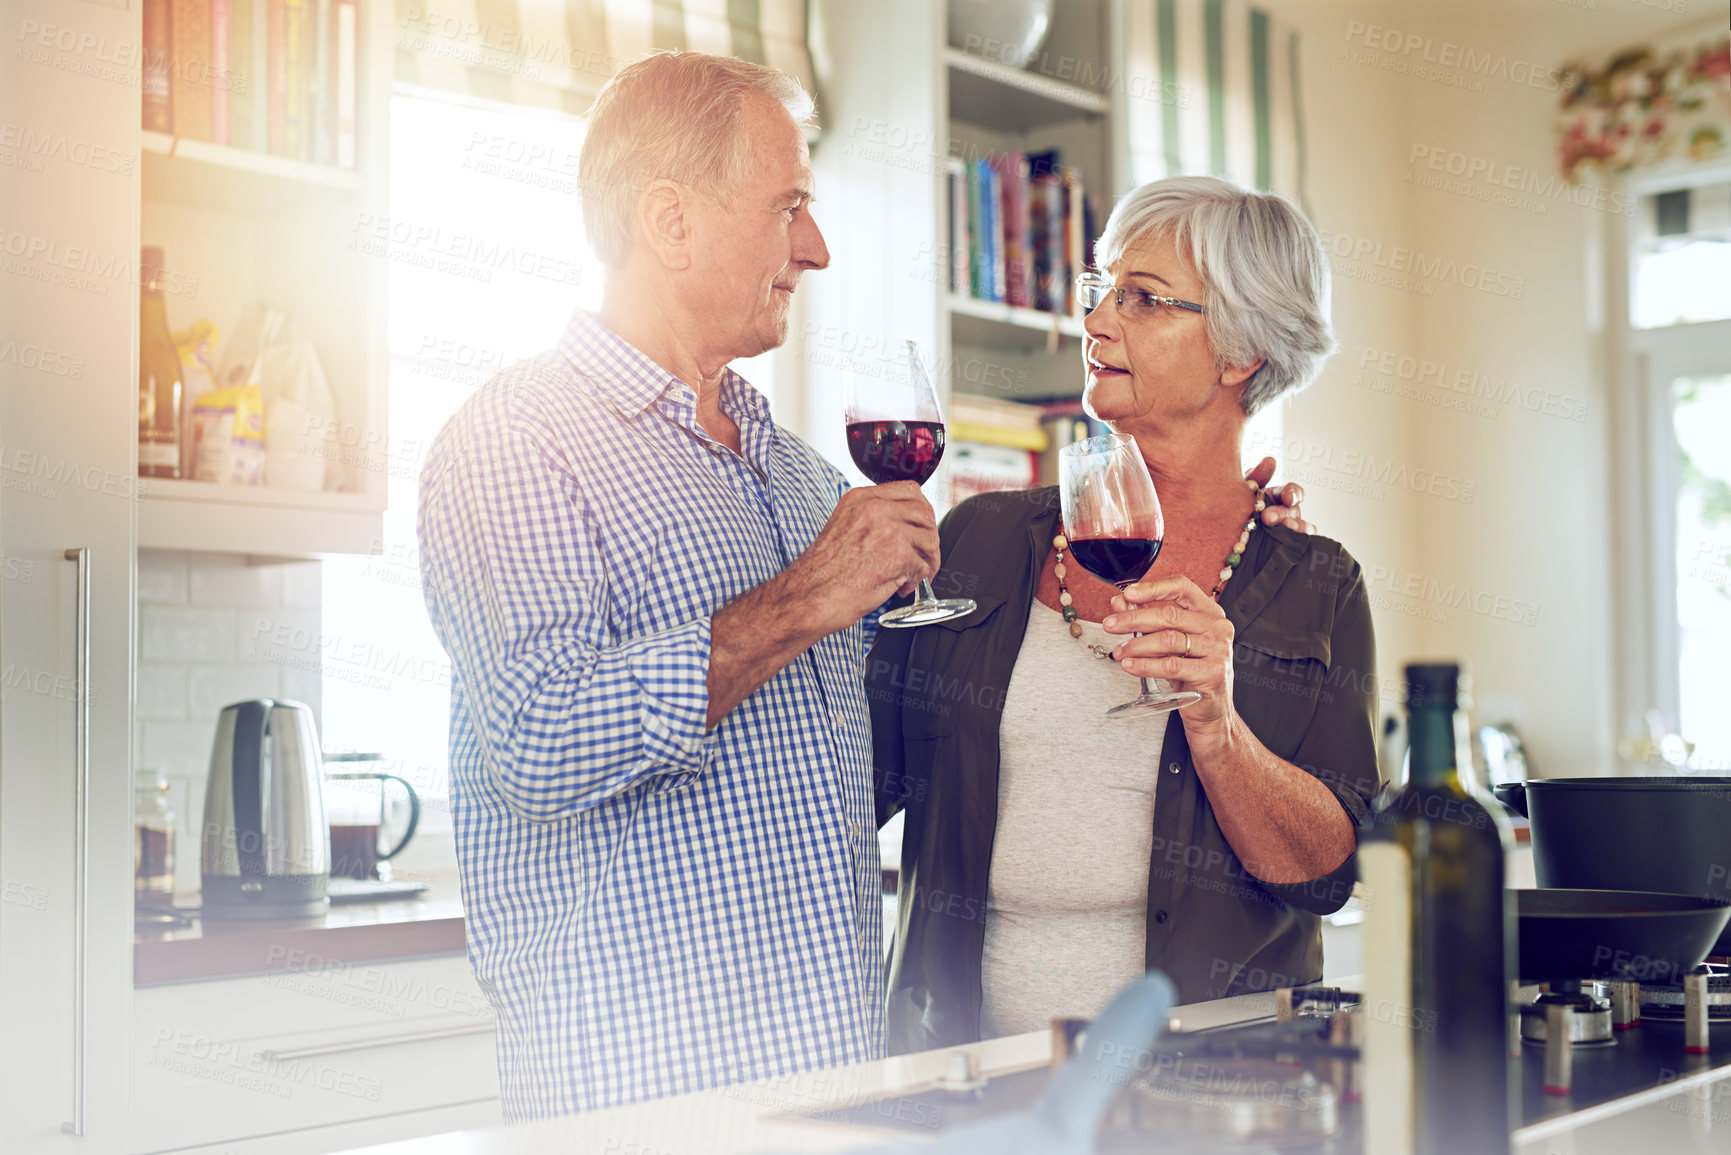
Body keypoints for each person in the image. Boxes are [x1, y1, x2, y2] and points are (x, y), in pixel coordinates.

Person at [419, 52, 1308, 1116]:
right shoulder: (516, 441)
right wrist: (807, 600)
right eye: (791, 204)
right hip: (639, 1093)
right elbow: (538, 737)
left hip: (837, 1080)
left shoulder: (794, 476)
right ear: (670, 223)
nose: (818, 247)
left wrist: (1225, 537)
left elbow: (882, 756)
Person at [867, 175, 1381, 1054]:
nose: (1097, 322)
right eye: (1101, 291)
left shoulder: (1317, 582)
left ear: (1239, 352)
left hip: (1213, 1094)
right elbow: (858, 778)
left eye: (1142, 299)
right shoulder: (982, 538)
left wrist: (1217, 728)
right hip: (962, 1083)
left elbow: (1326, 870)